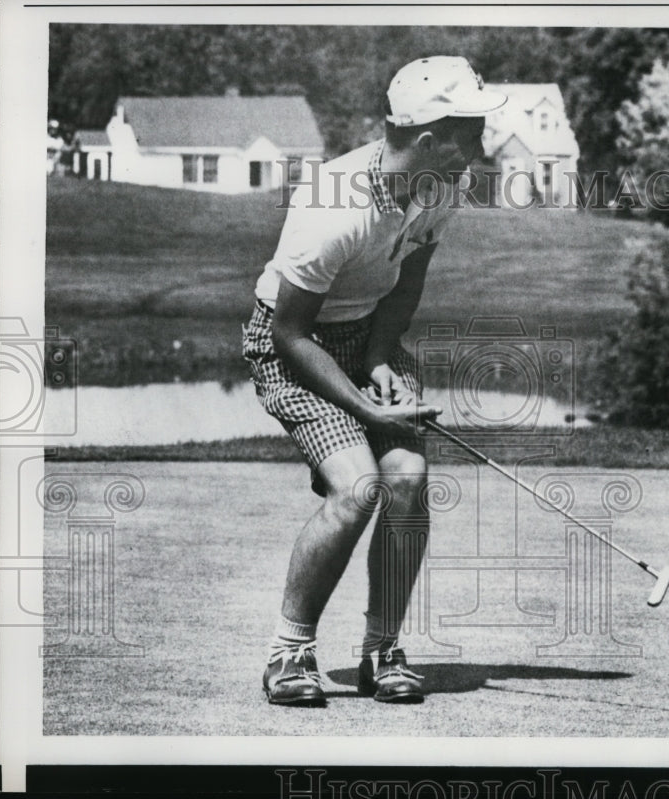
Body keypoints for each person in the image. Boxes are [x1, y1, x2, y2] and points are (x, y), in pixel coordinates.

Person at [243, 56, 506, 706]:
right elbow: (290, 334)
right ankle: (289, 651)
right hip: (293, 345)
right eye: (470, 133)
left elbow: (405, 280)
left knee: (408, 480)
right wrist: (364, 405)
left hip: (366, 337)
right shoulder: (334, 206)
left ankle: (381, 647)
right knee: (357, 488)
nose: (481, 147)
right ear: (428, 140)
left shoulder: (441, 186)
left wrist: (384, 357)